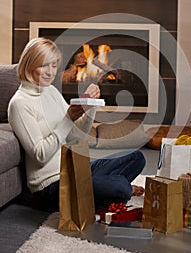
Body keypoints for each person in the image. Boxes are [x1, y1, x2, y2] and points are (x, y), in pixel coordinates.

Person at [8, 37, 145, 213]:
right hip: (51, 186)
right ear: (28, 64)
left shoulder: (50, 91)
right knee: (121, 187)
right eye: (44, 65)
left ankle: (100, 193)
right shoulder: (20, 104)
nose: (50, 72)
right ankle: (108, 192)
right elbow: (40, 155)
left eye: (54, 65)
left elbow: (76, 136)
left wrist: (89, 107)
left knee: (136, 158)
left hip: (75, 170)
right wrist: (68, 119)